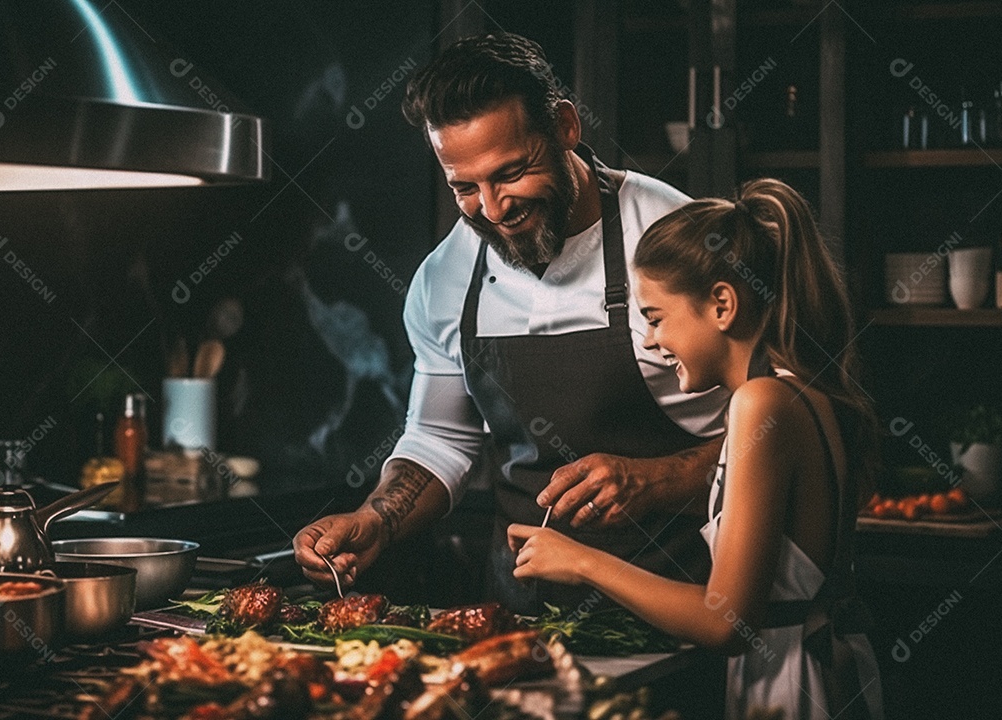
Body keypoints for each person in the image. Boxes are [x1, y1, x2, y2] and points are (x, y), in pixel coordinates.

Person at [294, 32, 729, 613]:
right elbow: (440, 438)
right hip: (523, 620)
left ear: (566, 127)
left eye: (511, 172)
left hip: (689, 603)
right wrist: (377, 519)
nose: (495, 209)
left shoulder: (677, 238)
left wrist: (655, 481)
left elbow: (786, 424)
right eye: (465, 188)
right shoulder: (444, 280)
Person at [508, 179, 884, 719]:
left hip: (794, 684)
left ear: (723, 305)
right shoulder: (798, 390)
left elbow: (725, 621)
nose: (651, 340)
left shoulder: (760, 403)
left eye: (657, 317)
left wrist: (581, 562)